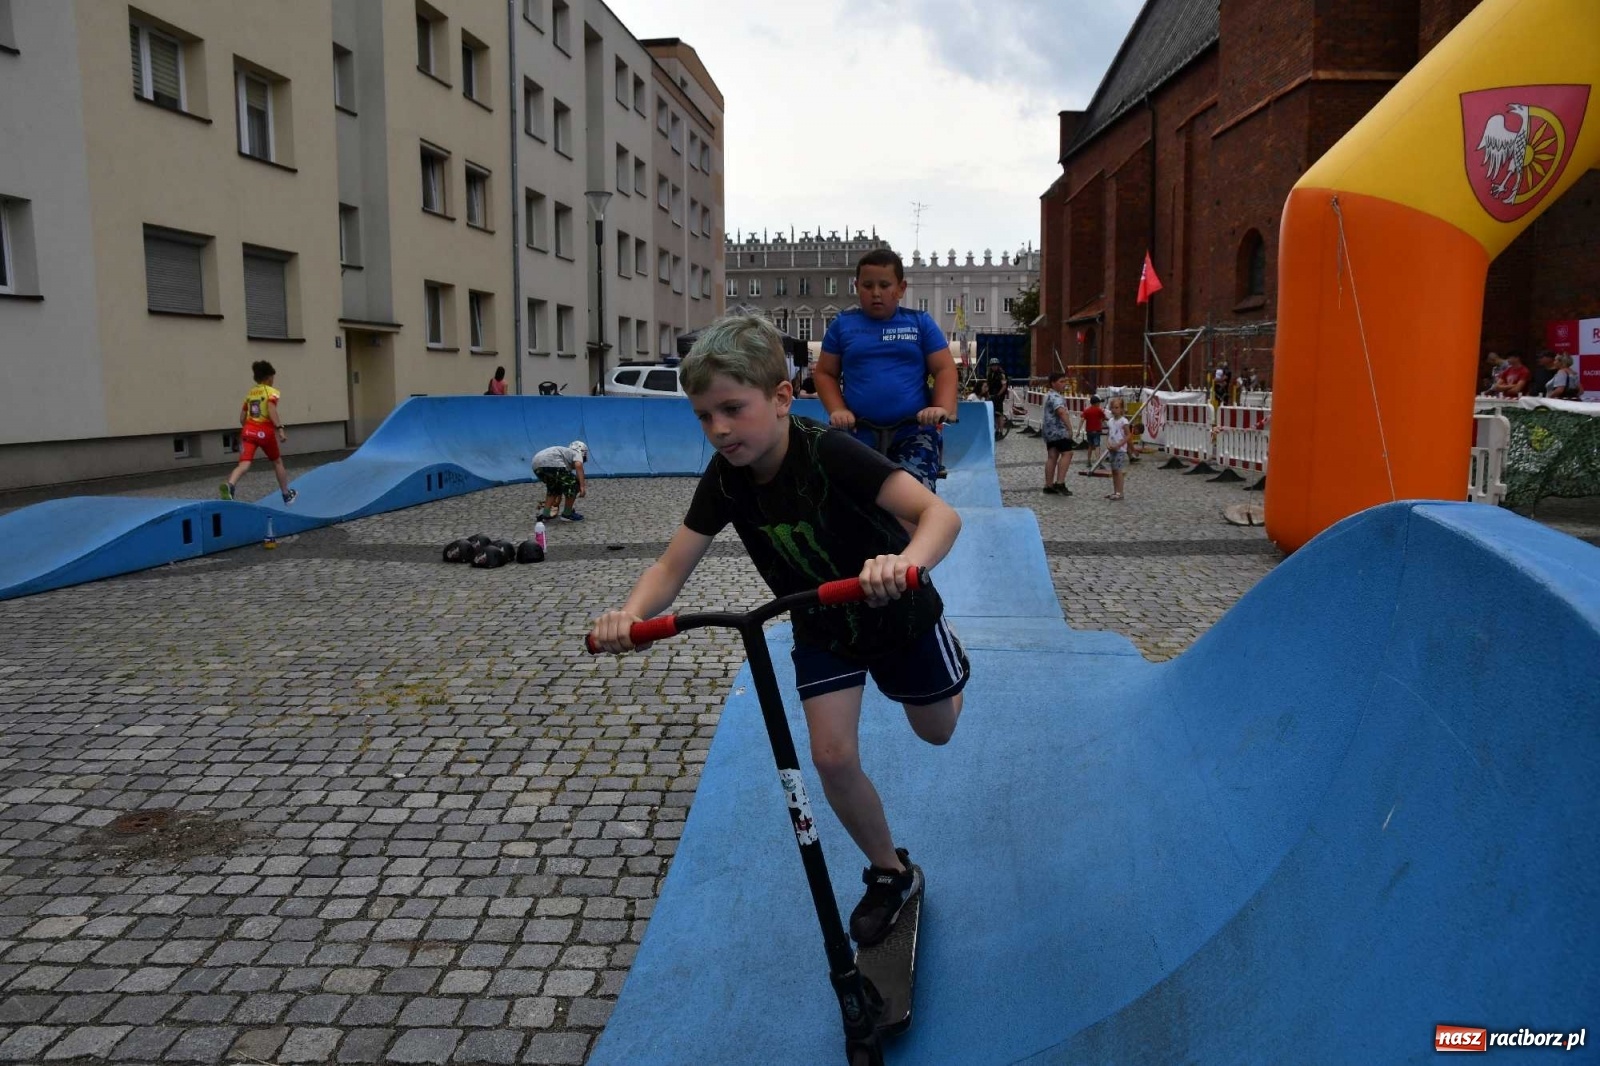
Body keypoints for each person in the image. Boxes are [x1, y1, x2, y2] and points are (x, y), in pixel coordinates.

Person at [588, 313, 967, 948]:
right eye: (704, 416)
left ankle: (948, 662)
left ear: (783, 397)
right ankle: (890, 871)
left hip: (896, 611)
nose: (719, 429)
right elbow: (670, 567)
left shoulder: (829, 452)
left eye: (733, 409)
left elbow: (939, 516)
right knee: (831, 757)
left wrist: (905, 563)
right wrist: (631, 614)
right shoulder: (725, 479)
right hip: (821, 622)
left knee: (937, 731)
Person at [815, 250, 958, 489]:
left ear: (901, 289)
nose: (875, 293)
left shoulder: (920, 323)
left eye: (884, 285)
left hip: (913, 431)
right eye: (867, 286)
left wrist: (940, 407)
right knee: (843, 493)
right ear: (856, 286)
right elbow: (825, 373)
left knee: (912, 495)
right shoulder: (842, 325)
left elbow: (945, 368)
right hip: (856, 430)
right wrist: (838, 409)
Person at [219, 360, 297, 504]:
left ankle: (230, 485)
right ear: (268, 378)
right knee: (277, 462)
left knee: (244, 464)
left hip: (248, 431)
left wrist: (248, 429)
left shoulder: (250, 393)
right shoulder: (271, 392)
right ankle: (286, 494)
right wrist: (280, 428)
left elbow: (242, 417)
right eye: (273, 377)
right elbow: (271, 410)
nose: (273, 380)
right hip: (265, 432)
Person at [532, 440, 588, 522]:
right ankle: (567, 514)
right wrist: (582, 486)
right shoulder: (576, 453)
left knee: (553, 488)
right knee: (574, 483)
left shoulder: (565, 455)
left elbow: (560, 486)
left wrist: (557, 502)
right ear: (583, 452)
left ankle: (545, 514)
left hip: (536, 464)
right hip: (552, 462)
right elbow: (578, 465)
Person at [1041, 371, 1074, 495]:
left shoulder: (1048, 395)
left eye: (1065, 381)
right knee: (1068, 453)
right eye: (1061, 381)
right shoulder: (1056, 397)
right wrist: (1069, 428)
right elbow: (1061, 412)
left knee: (1052, 456)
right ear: (1053, 383)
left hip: (1049, 431)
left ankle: (1048, 485)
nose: (1064, 384)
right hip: (1059, 431)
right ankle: (1060, 483)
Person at [1104, 396, 1131, 501]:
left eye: (1117, 407)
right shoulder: (1110, 421)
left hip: (1120, 450)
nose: (1114, 410)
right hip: (1112, 449)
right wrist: (1107, 443)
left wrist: (1119, 444)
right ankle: (1115, 491)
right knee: (1114, 470)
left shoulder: (1124, 421)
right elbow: (1109, 433)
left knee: (1118, 470)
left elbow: (1128, 435)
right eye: (1113, 408)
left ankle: (1120, 492)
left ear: (1121, 409)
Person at [1081, 394, 1107, 470]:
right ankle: (1098, 462)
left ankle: (1088, 461)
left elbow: (1082, 419)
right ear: (1096, 403)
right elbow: (1104, 417)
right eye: (1099, 403)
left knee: (1090, 446)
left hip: (1089, 431)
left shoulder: (1086, 410)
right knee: (1097, 446)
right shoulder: (1099, 410)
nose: (1099, 404)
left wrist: (1079, 431)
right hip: (1096, 431)